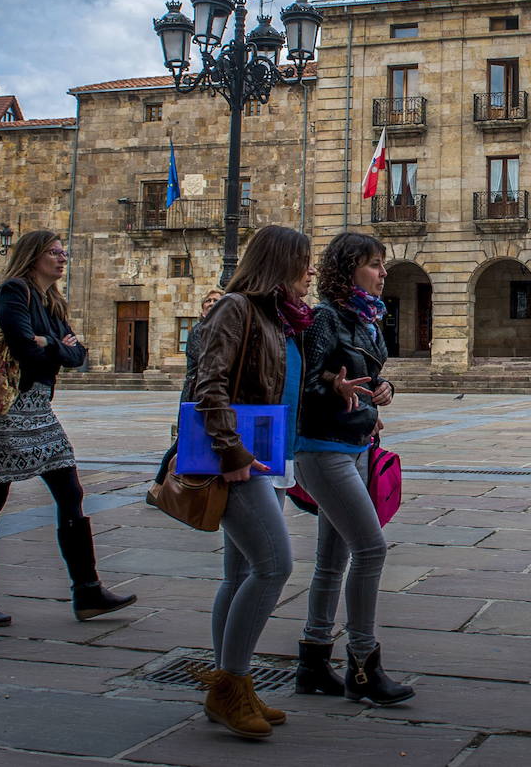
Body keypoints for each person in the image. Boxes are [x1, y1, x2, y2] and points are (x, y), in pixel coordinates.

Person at [0, 230, 137, 627]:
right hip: (7, 411)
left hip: (40, 409)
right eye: (54, 253)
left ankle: (87, 590)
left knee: (70, 491)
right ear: (33, 256)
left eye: (63, 252)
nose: (62, 258)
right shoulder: (13, 292)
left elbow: (77, 356)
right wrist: (55, 344)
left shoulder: (51, 301)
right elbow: (26, 348)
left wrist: (51, 343)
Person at [189, 226, 313, 740]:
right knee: (274, 566)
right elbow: (208, 383)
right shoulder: (237, 308)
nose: (310, 273)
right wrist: (230, 449)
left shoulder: (274, 317)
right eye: (303, 263)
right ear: (280, 264)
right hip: (235, 458)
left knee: (242, 573)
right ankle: (229, 684)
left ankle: (232, 681)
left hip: (259, 453)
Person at [295, 231, 410, 705]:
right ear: (348, 269)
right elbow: (304, 383)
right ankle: (362, 663)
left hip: (356, 444)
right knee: (371, 549)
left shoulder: (368, 320)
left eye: (383, 264)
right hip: (323, 448)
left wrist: (382, 392)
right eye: (375, 264)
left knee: (333, 559)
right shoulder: (324, 317)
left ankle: (314, 659)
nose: (383, 273)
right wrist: (335, 390)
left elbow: (370, 378)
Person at [153, 288, 226, 488]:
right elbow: (206, 359)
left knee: (193, 440)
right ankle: (160, 484)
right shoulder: (198, 331)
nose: (211, 303)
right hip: (195, 392)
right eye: (208, 301)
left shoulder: (221, 331)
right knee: (184, 439)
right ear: (203, 308)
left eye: (216, 300)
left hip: (208, 391)